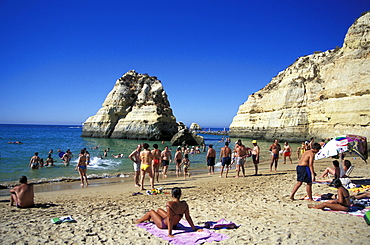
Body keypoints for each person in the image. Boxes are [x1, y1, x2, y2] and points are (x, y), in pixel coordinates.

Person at [135, 187, 203, 237]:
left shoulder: (169, 204)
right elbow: (188, 217)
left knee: (151, 212)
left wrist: (170, 233)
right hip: (174, 224)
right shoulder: (184, 204)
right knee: (159, 210)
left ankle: (139, 220)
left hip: (164, 225)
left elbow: (170, 219)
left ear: (172, 195)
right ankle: (153, 219)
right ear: (180, 195)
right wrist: (194, 229)